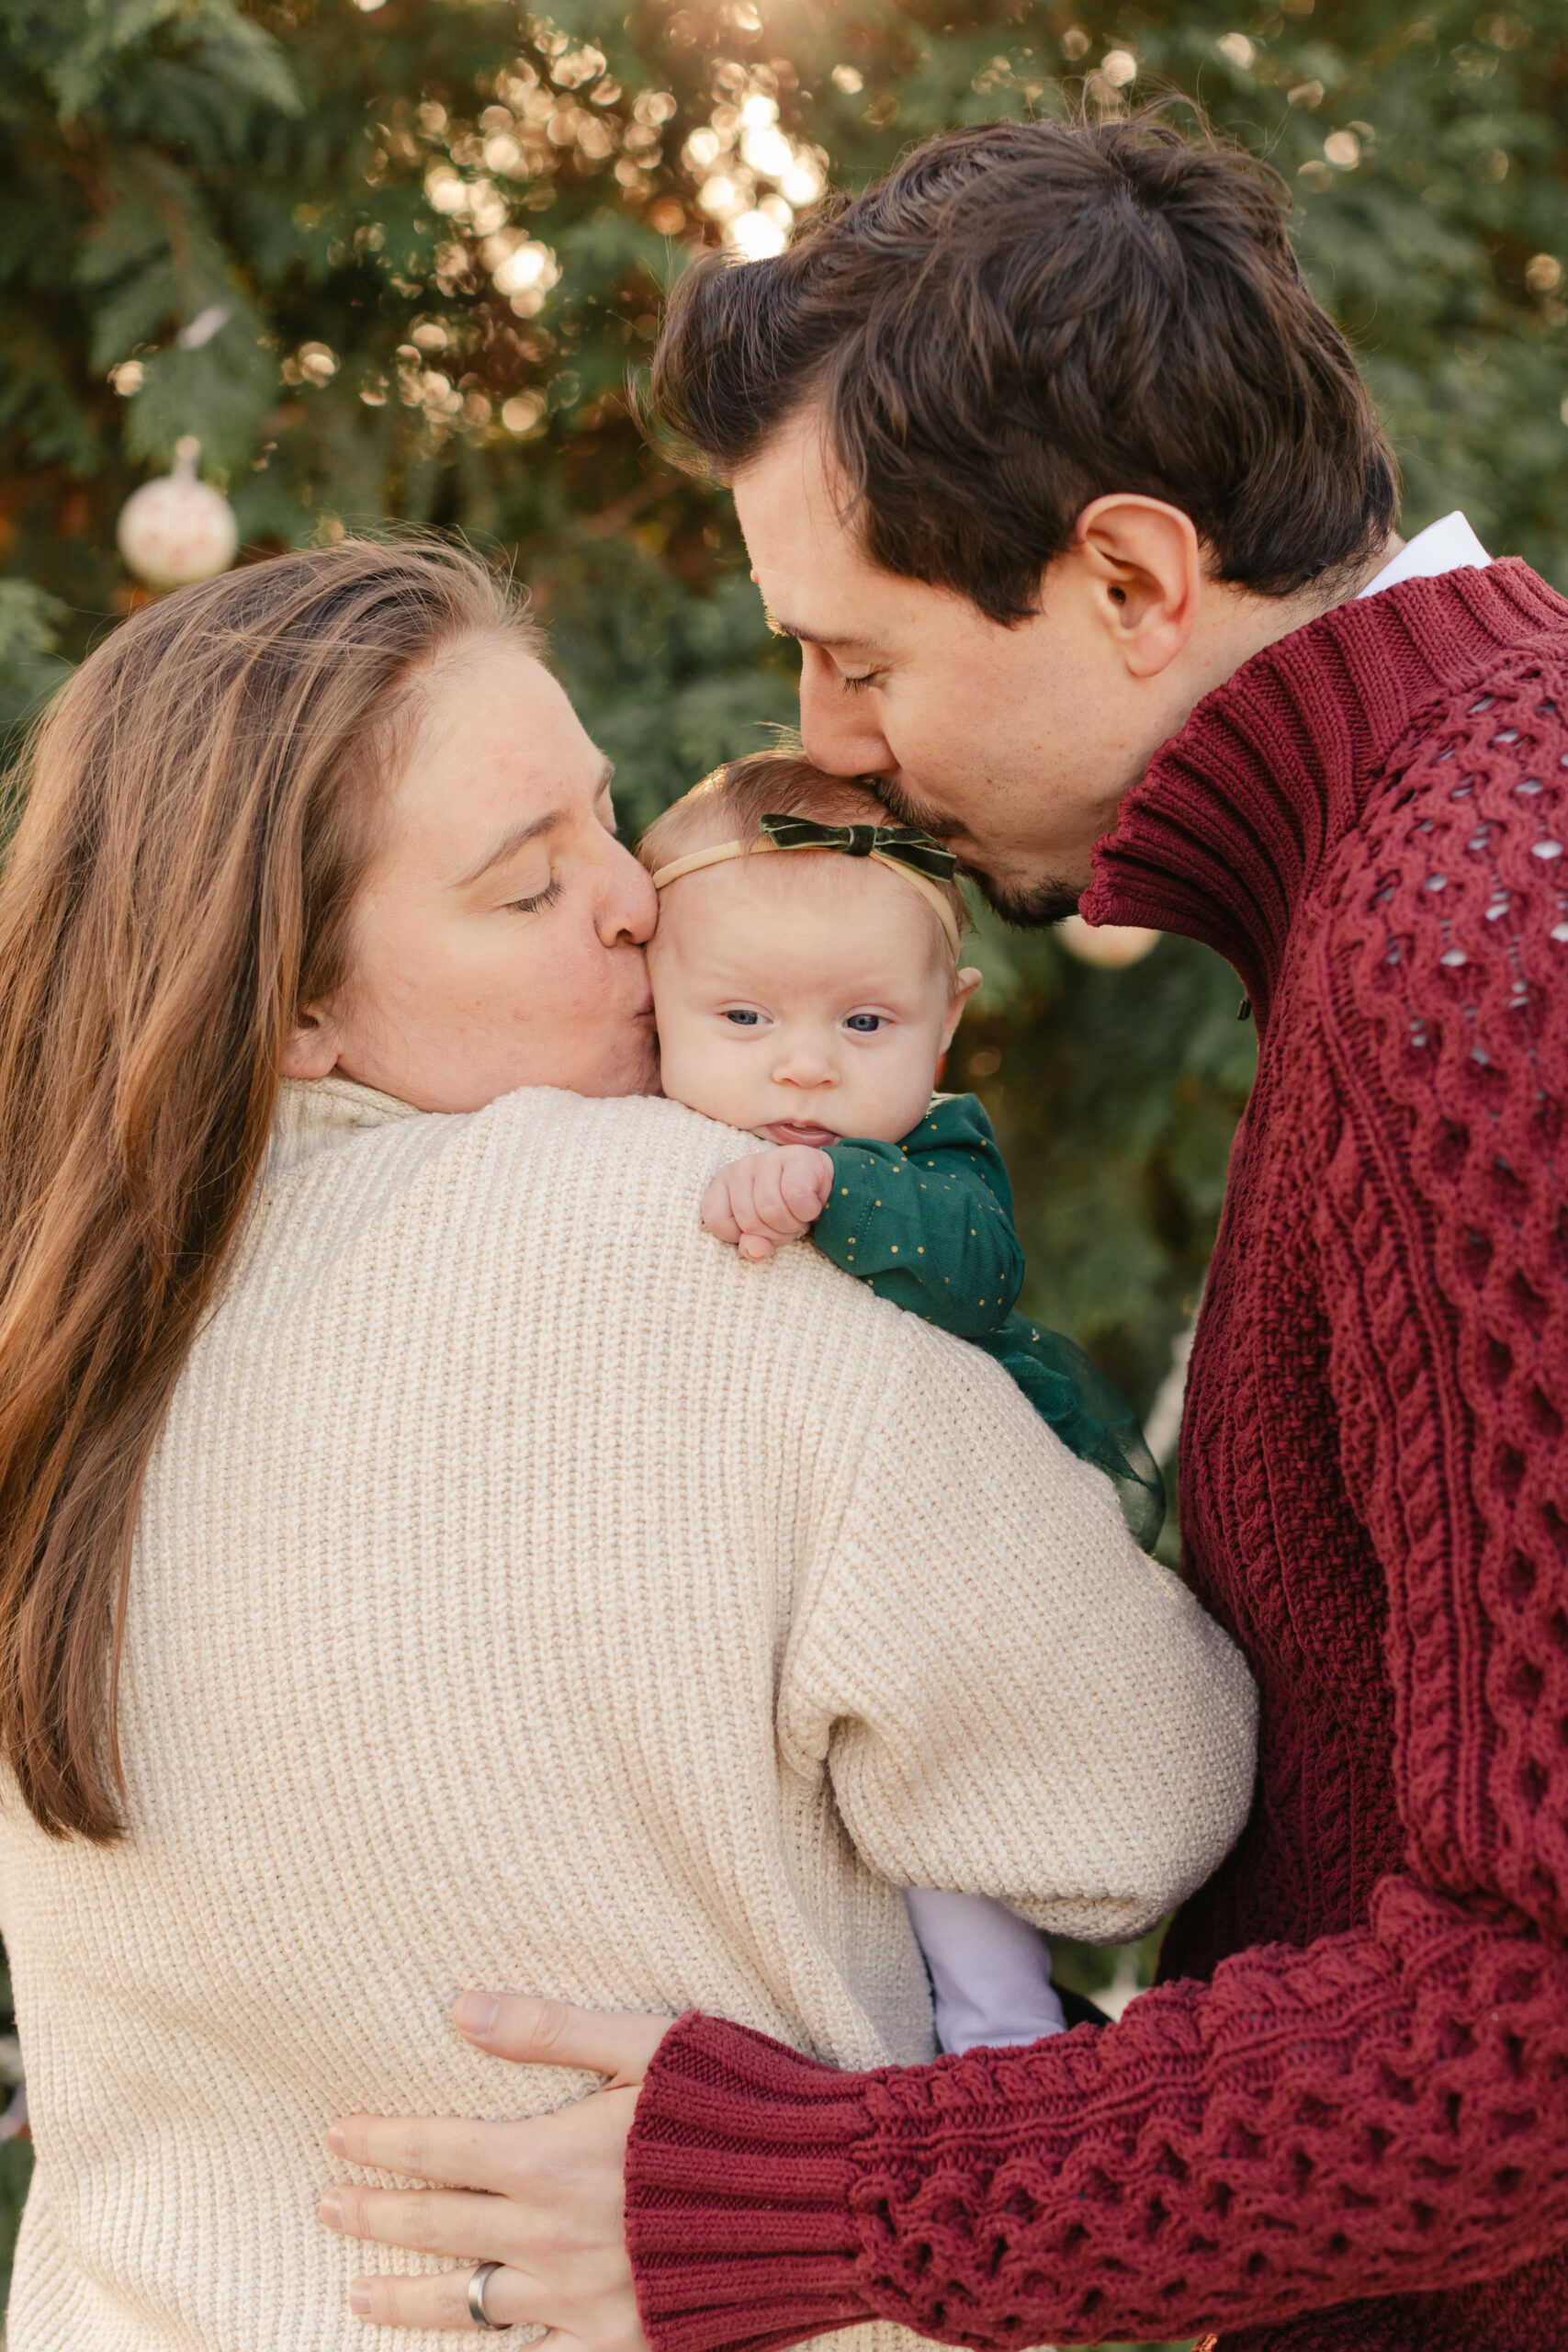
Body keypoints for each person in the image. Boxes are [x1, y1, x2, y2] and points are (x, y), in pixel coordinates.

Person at [337, 113, 1568, 2352]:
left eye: (861, 658)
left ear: (1125, 579)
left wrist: (834, 2198)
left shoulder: (1476, 942)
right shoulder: (1445, 858)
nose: (825, 743)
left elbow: (1540, 2024)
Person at [0, 536, 1255, 2348]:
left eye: (608, 820)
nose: (634, 904)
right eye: (527, 890)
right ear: (292, 1009)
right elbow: (1140, 1802)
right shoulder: (713, 1241)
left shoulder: (70, 1339)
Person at [643, 749, 1166, 2056]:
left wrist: (834, 1196)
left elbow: (975, 1272)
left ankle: (1004, 2025)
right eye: (744, 1020)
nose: (804, 1070)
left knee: (948, 1818)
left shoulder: (930, 1151)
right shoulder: (638, 1144)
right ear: (652, 1008)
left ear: (946, 1022)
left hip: (955, 1567)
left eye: (863, 1025)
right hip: (761, 1565)